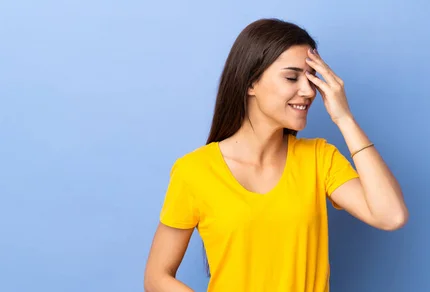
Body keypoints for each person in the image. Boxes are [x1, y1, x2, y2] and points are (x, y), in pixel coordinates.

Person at [143, 18, 409, 292]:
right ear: (251, 83)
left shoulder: (319, 159)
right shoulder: (194, 171)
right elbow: (156, 277)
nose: (308, 92)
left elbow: (391, 216)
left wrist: (345, 119)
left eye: (311, 79)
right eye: (292, 77)